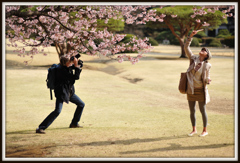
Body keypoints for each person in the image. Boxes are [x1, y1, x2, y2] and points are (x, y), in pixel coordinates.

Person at [36, 55, 85, 134]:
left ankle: (74, 123)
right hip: (61, 93)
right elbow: (76, 77)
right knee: (57, 111)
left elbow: (79, 66)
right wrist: (76, 66)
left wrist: (77, 62)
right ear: (66, 63)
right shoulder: (61, 71)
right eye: (70, 61)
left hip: (69, 92)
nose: (71, 62)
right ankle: (41, 128)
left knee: (81, 104)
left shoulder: (64, 67)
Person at [184, 29, 212, 137]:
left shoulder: (207, 65)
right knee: (192, 111)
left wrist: (208, 80)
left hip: (201, 90)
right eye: (202, 49)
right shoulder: (193, 58)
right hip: (190, 88)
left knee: (202, 110)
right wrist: (190, 36)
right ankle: (194, 129)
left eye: (204, 50)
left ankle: (205, 130)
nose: (202, 50)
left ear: (206, 55)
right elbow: (186, 47)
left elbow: (207, 76)